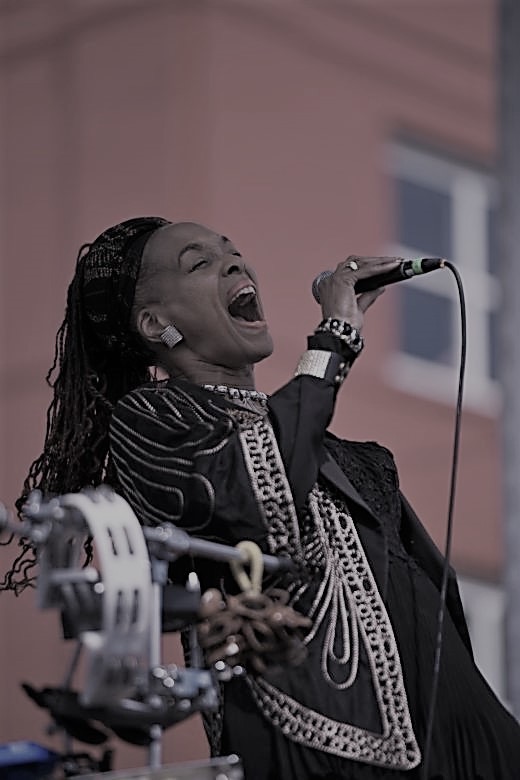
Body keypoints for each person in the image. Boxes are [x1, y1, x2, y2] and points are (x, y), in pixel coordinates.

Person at [5, 216, 520, 779]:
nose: (234, 263)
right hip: (313, 735)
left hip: (452, 727)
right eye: (199, 263)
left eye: (233, 252)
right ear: (157, 324)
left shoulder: (354, 458)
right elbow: (252, 504)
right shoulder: (153, 418)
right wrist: (334, 340)